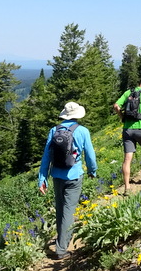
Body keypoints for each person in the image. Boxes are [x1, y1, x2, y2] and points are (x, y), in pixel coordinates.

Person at [38, 101, 98, 260]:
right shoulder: (83, 131)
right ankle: (61, 249)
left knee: (60, 209)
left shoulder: (54, 130)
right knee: (69, 211)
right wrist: (92, 171)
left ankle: (60, 241)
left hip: (56, 175)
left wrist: (42, 179)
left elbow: (46, 157)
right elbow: (90, 155)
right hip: (74, 175)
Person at [113, 75, 141, 194]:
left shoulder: (128, 92)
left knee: (127, 159)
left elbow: (116, 106)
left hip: (127, 129)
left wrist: (122, 117)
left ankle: (127, 187)